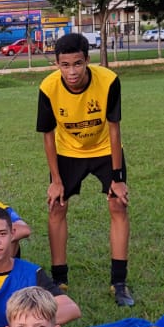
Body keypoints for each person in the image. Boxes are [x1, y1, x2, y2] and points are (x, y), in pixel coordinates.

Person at [36, 32, 133, 306]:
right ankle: (58, 280)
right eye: (65, 65)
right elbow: (47, 135)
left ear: (87, 61)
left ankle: (119, 282)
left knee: (118, 205)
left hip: (104, 149)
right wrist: (56, 179)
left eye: (77, 64)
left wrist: (117, 178)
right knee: (57, 206)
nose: (72, 72)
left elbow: (114, 129)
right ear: (56, 63)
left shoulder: (109, 81)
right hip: (67, 151)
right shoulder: (48, 87)